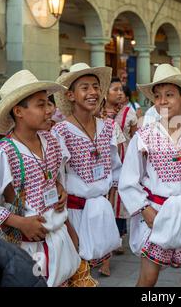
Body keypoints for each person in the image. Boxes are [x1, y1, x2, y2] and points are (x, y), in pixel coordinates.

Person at [0, 70, 82, 287]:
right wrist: (19, 222)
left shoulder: (51, 141)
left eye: (49, 102)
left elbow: (52, 175)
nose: (50, 110)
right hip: (29, 247)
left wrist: (59, 189)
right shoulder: (4, 153)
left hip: (59, 237)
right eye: (41, 104)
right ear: (18, 111)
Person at [118, 64, 181, 287]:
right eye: (158, 96)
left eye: (169, 95)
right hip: (157, 214)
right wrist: (146, 210)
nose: (162, 101)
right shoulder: (144, 136)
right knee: (149, 277)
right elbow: (129, 179)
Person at [52, 63, 124, 277]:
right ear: (71, 95)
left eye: (95, 86)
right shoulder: (61, 131)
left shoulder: (108, 127)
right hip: (73, 212)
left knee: (89, 270)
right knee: (75, 269)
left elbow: (115, 168)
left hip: (100, 209)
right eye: (84, 87)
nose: (93, 92)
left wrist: (108, 205)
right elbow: (57, 176)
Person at [102, 77, 138, 254]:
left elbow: (134, 137)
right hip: (101, 161)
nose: (119, 93)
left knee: (118, 198)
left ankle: (118, 235)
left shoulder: (128, 113)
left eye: (121, 90)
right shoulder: (97, 112)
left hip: (122, 159)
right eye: (115, 89)